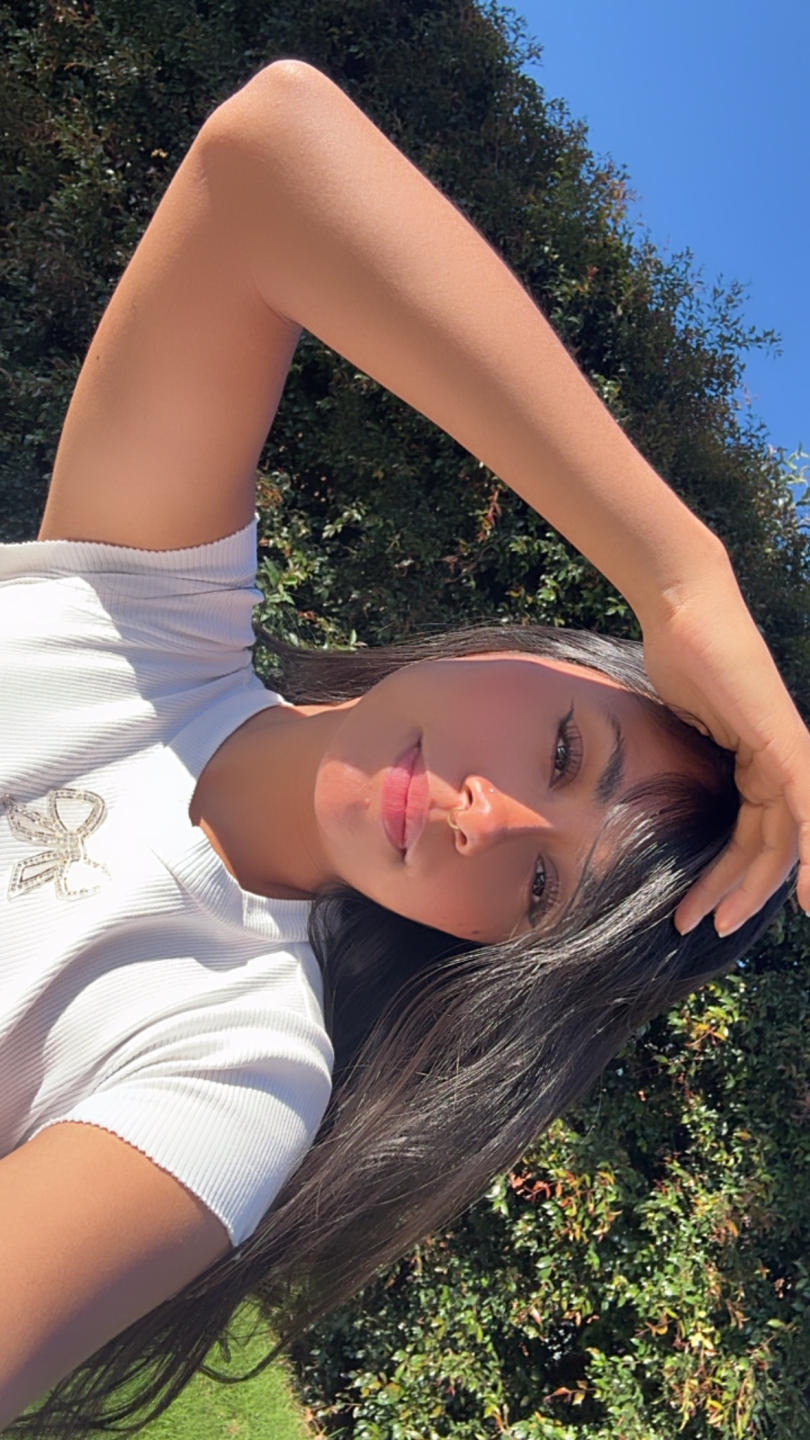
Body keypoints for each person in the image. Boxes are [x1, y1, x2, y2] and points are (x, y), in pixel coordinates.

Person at [1, 57, 808, 1435]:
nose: (486, 820)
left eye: (540, 890)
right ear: (537, 657)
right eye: (566, 751)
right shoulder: (139, 612)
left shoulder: (234, 1071)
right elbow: (267, 155)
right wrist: (678, 577)